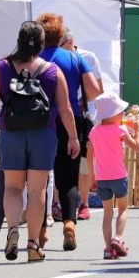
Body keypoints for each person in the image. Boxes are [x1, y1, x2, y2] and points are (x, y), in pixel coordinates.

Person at [0, 21, 80, 262]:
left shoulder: (2, 68)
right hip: (42, 134)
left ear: (19, 40)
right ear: (42, 45)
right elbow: (65, 109)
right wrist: (73, 137)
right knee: (37, 190)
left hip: (11, 133)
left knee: (12, 187)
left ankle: (12, 230)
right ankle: (33, 243)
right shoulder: (53, 71)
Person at [35, 13, 99, 252]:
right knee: (68, 177)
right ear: (61, 35)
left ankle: (41, 229)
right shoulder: (74, 59)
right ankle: (70, 223)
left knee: (39, 179)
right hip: (71, 121)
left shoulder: (32, 59)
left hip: (39, 122)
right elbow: (92, 91)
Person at [89, 93, 139, 260]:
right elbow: (138, 147)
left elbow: (90, 156)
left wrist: (93, 177)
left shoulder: (94, 131)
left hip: (102, 178)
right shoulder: (120, 130)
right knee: (123, 209)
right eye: (120, 112)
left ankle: (107, 248)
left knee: (107, 213)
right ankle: (118, 238)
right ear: (112, 114)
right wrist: (138, 131)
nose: (123, 115)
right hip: (119, 176)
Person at [60, 30, 104, 222]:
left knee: (84, 160)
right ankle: (59, 205)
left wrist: (81, 100)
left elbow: (99, 89)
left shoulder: (88, 57)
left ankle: (84, 203)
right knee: (60, 159)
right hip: (62, 114)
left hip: (85, 115)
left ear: (70, 42)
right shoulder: (55, 57)